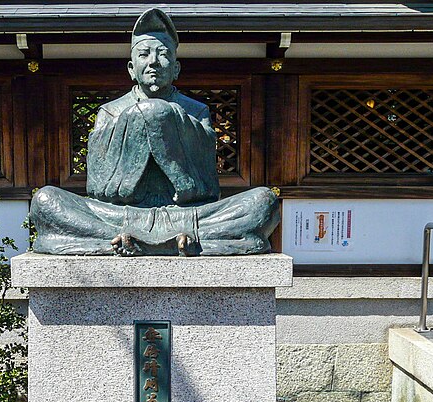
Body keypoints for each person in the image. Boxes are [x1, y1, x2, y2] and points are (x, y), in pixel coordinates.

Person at [29, 7, 279, 256]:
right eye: (144, 54)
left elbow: (205, 186)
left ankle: (122, 242)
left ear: (176, 68)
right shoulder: (110, 112)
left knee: (263, 202)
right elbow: (100, 189)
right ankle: (173, 242)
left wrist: (165, 118)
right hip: (118, 216)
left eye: (163, 54)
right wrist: (136, 120)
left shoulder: (196, 111)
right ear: (131, 68)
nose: (153, 62)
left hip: (189, 216)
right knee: (45, 200)